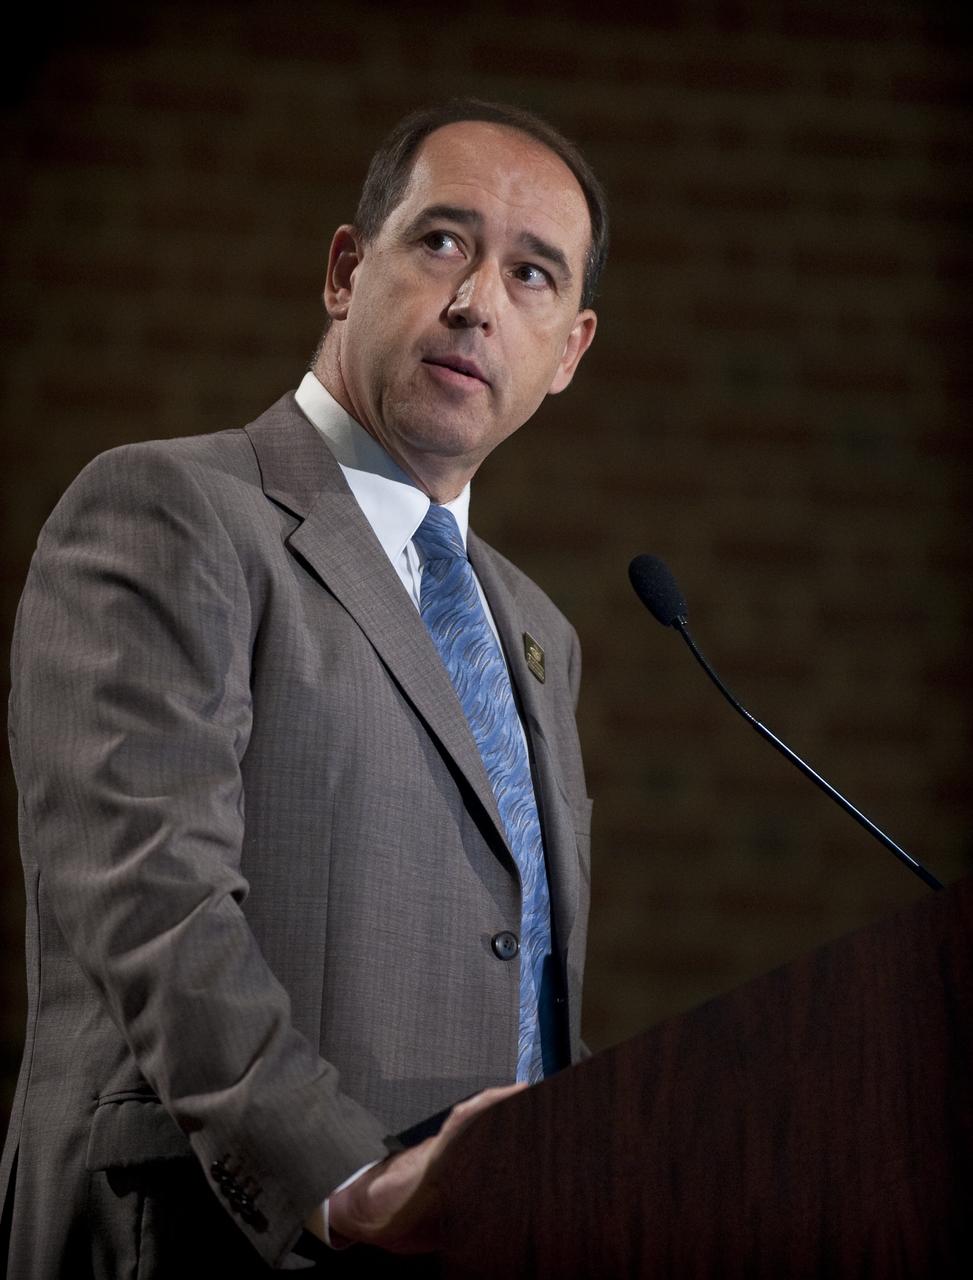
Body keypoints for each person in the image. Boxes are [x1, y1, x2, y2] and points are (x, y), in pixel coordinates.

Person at [0, 98, 607, 1276]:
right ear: (345, 269)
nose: (477, 300)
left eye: (531, 274)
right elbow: (153, 900)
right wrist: (345, 1176)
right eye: (442, 241)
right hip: (214, 1235)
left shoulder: (538, 631)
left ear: (570, 349)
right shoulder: (171, 511)